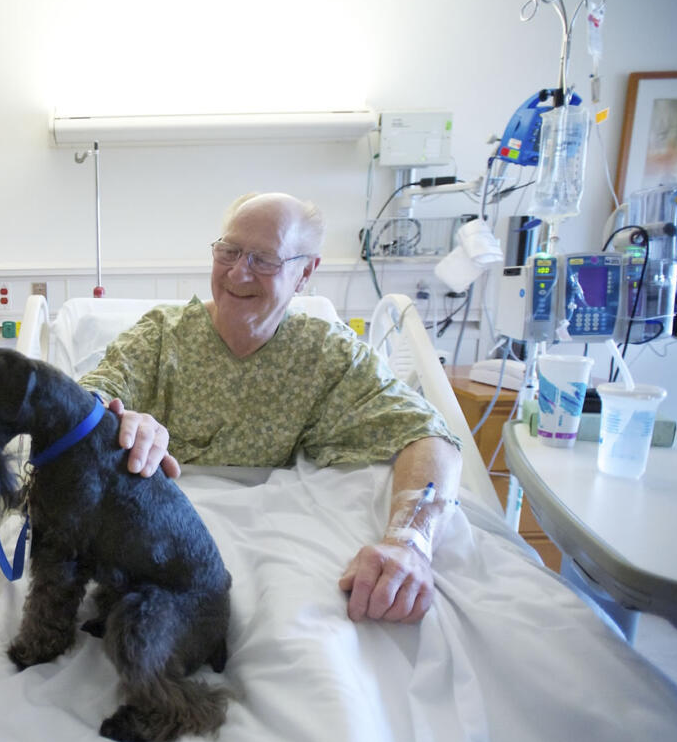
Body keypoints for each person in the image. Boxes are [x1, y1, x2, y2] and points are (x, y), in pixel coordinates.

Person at [80, 192, 463, 625]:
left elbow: (429, 435)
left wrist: (409, 541)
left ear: (306, 273)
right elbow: (88, 398)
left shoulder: (326, 355)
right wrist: (118, 420)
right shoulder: (162, 337)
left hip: (276, 539)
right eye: (229, 251)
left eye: (264, 259)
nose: (238, 271)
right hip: (170, 530)